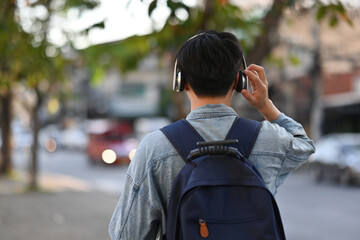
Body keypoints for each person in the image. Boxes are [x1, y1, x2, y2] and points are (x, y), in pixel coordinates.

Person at [109, 30, 315, 240]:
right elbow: (304, 145)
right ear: (238, 81)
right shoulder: (268, 139)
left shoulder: (156, 148)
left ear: (181, 81)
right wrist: (265, 105)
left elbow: (126, 234)